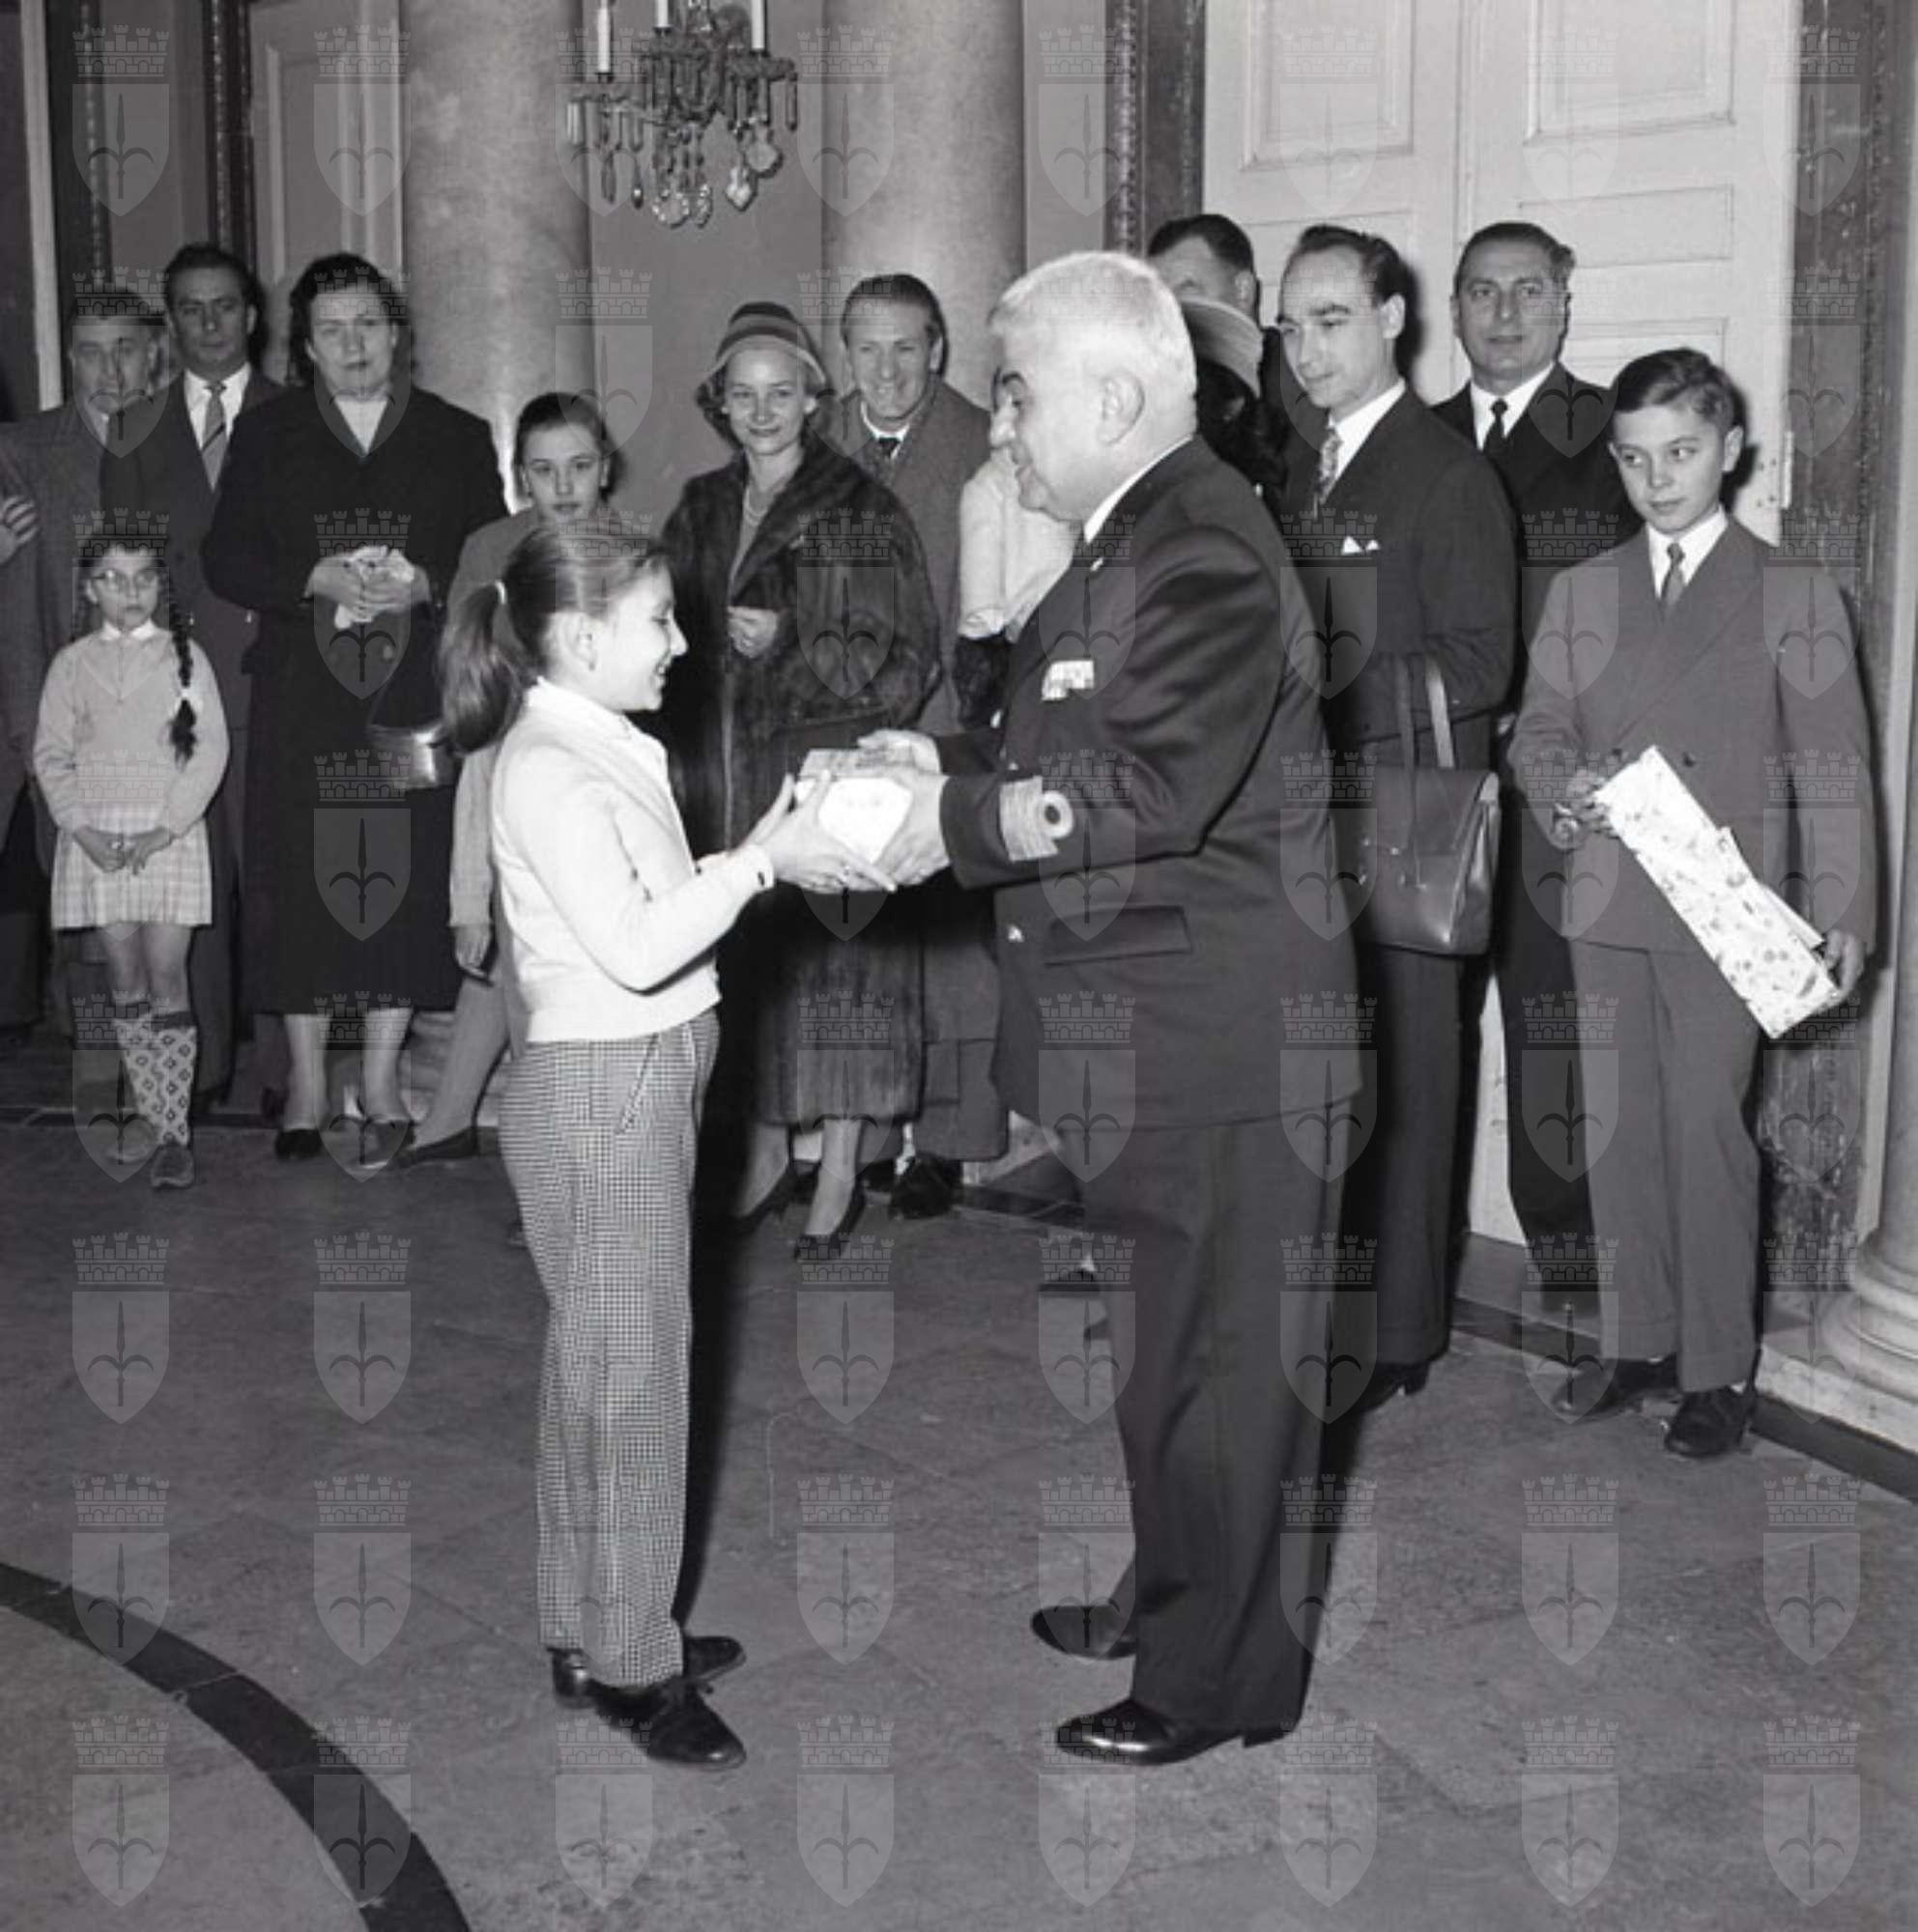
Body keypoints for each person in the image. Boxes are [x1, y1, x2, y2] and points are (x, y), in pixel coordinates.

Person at [865, 252, 1361, 1765]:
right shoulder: (1133, 529)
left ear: (1116, 399)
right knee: (1165, 1361)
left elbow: (1144, 791)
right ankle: (1171, 1593)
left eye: (1018, 394)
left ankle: (1218, 1683)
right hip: (1153, 1040)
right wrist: (933, 761)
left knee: (1225, 1378)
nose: (1001, 425)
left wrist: (944, 822)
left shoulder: (1200, 548)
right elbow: (1061, 734)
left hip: (1223, 1051)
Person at [441, 515, 890, 1767]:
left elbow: (647, 898)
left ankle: (587, 1625)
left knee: (594, 1366)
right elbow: (638, 949)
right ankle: (635, 1664)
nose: (680, 642)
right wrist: (758, 864)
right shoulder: (549, 764)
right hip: (611, 1089)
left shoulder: (591, 738)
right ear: (581, 638)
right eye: (656, 621)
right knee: (635, 1380)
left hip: (621, 1080)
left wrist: (764, 844)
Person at [1510, 349, 1875, 1460]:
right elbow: (1536, 732)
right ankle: (1636, 1340)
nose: (1655, 478)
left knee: (1706, 1129)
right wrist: (1561, 784)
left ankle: (1716, 1368)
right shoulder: (1581, 589)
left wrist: (1843, 906)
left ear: (1729, 450)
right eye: (1632, 459)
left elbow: (1831, 764)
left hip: (1726, 906)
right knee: (1616, 1126)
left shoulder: (1791, 591)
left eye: (1678, 452)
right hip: (1607, 888)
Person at [1274, 224, 1518, 1414]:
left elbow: (1479, 660)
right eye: (1289, 325)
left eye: (1329, 320)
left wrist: (1315, 697)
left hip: (1403, 818)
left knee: (1411, 1072)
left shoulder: (1445, 472)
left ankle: (1402, 1329)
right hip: (1301, 821)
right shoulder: (1295, 466)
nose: (1304, 347)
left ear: (1388, 320)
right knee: (1330, 1075)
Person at [201, 253, 506, 1165]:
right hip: (303, 690)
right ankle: (304, 1083)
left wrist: (429, 584)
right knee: (300, 881)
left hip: (410, 689)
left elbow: (490, 558)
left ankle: (379, 1079)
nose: (353, 344)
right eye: (331, 330)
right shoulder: (268, 434)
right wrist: (311, 578)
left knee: (400, 878)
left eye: (369, 324)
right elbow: (224, 558)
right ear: (305, 346)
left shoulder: (455, 434)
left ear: (397, 332)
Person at [660, 301, 940, 1250]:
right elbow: (657, 630)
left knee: (842, 975)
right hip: (723, 776)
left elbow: (910, 658)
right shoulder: (699, 506)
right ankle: (769, 1153)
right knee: (752, 969)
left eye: (780, 393)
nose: (761, 411)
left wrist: (793, 642)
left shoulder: (861, 507)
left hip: (828, 774)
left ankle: (841, 1171)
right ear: (719, 403)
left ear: (815, 398)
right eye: (742, 396)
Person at [1434, 221, 1640, 1281]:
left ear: (1564, 303)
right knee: (1419, 1023)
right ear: (1451, 308)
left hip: (1554, 786)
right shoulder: (1411, 440)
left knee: (1554, 1017)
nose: (1504, 313)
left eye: (1526, 290)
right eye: (1481, 291)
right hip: (1427, 784)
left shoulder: (1612, 436)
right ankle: (1412, 1245)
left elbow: (1643, 612)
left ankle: (1569, 1249)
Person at [396, 392, 620, 1177]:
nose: (563, 487)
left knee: (580, 971)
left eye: (579, 467)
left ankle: (575, 1159)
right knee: (516, 964)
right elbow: (461, 674)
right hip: (512, 774)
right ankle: (548, 1168)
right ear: (520, 476)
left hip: (603, 786)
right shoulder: (491, 546)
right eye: (543, 470)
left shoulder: (633, 547)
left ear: (606, 468)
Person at [822, 274, 1000, 1219]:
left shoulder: (981, 441)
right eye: (867, 349)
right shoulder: (814, 439)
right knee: (862, 935)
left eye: (905, 348)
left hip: (943, 723)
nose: (885, 370)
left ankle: (948, 1140)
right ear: (845, 353)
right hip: (842, 723)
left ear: (936, 349)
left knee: (951, 944)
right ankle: (863, 1135)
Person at [101, 242, 287, 1112]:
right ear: (170, 325)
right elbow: (119, 566)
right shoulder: (134, 429)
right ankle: (200, 1069)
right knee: (187, 883)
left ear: (252, 314)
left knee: (274, 880)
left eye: (224, 305)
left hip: (273, 679)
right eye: (190, 308)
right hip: (172, 687)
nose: (209, 323)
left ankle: (285, 1073)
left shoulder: (299, 416)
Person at [33, 526, 229, 1187]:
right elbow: (51, 756)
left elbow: (210, 750)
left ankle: (175, 1134)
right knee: (125, 979)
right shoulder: (71, 665)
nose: (130, 591)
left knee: (167, 975)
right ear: (90, 589)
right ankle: (149, 1110)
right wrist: (82, 830)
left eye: (144, 577)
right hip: (100, 840)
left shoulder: (186, 659)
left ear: (160, 585)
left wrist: (165, 828)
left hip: (167, 836)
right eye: (113, 579)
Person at [0, 286, 161, 1041]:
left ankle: (167, 1055)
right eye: (92, 353)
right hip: (64, 706)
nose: (111, 371)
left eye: (125, 349)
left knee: (161, 895)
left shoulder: (186, 441)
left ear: (153, 354)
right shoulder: (25, 451)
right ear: (70, 359)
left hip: (164, 707)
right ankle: (98, 1053)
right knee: (81, 892)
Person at [1147, 212, 1319, 499]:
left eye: (1189, 293)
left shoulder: (1305, 377)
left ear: (1243, 290)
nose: (1174, 314)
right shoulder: (1161, 398)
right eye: (1162, 301)